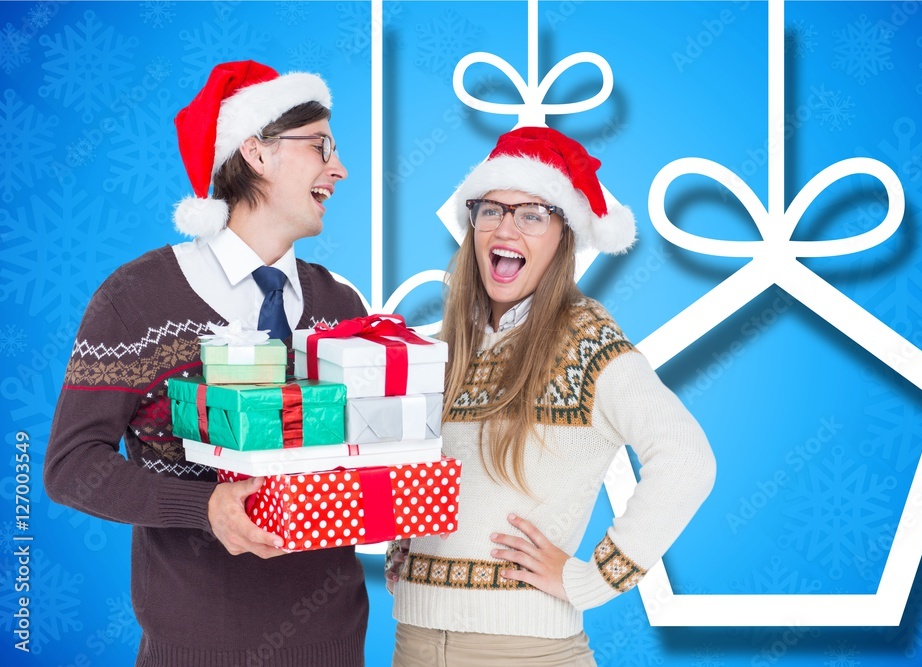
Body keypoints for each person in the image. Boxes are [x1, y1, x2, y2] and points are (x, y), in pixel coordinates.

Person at [44, 60, 369, 666]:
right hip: (196, 649)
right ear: (257, 152)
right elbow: (70, 467)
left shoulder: (340, 305)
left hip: (334, 644)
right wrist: (205, 508)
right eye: (321, 145)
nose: (340, 168)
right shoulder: (137, 299)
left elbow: (357, 459)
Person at [385, 127, 717, 665]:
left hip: (526, 652)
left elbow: (686, 457)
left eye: (532, 214)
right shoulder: (448, 343)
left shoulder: (584, 341)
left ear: (564, 235)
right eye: (491, 209)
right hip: (414, 643)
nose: (505, 226)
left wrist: (591, 581)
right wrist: (404, 552)